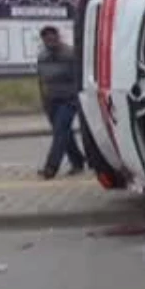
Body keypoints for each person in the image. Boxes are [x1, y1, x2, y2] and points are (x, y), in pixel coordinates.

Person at [36, 25, 86, 179]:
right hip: (51, 101)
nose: (50, 41)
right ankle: (78, 161)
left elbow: (79, 78)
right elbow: (40, 80)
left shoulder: (70, 54)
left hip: (69, 100)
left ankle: (51, 168)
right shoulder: (42, 56)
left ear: (58, 37)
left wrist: (78, 97)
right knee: (65, 133)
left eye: (53, 37)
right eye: (46, 38)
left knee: (60, 132)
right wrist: (44, 100)